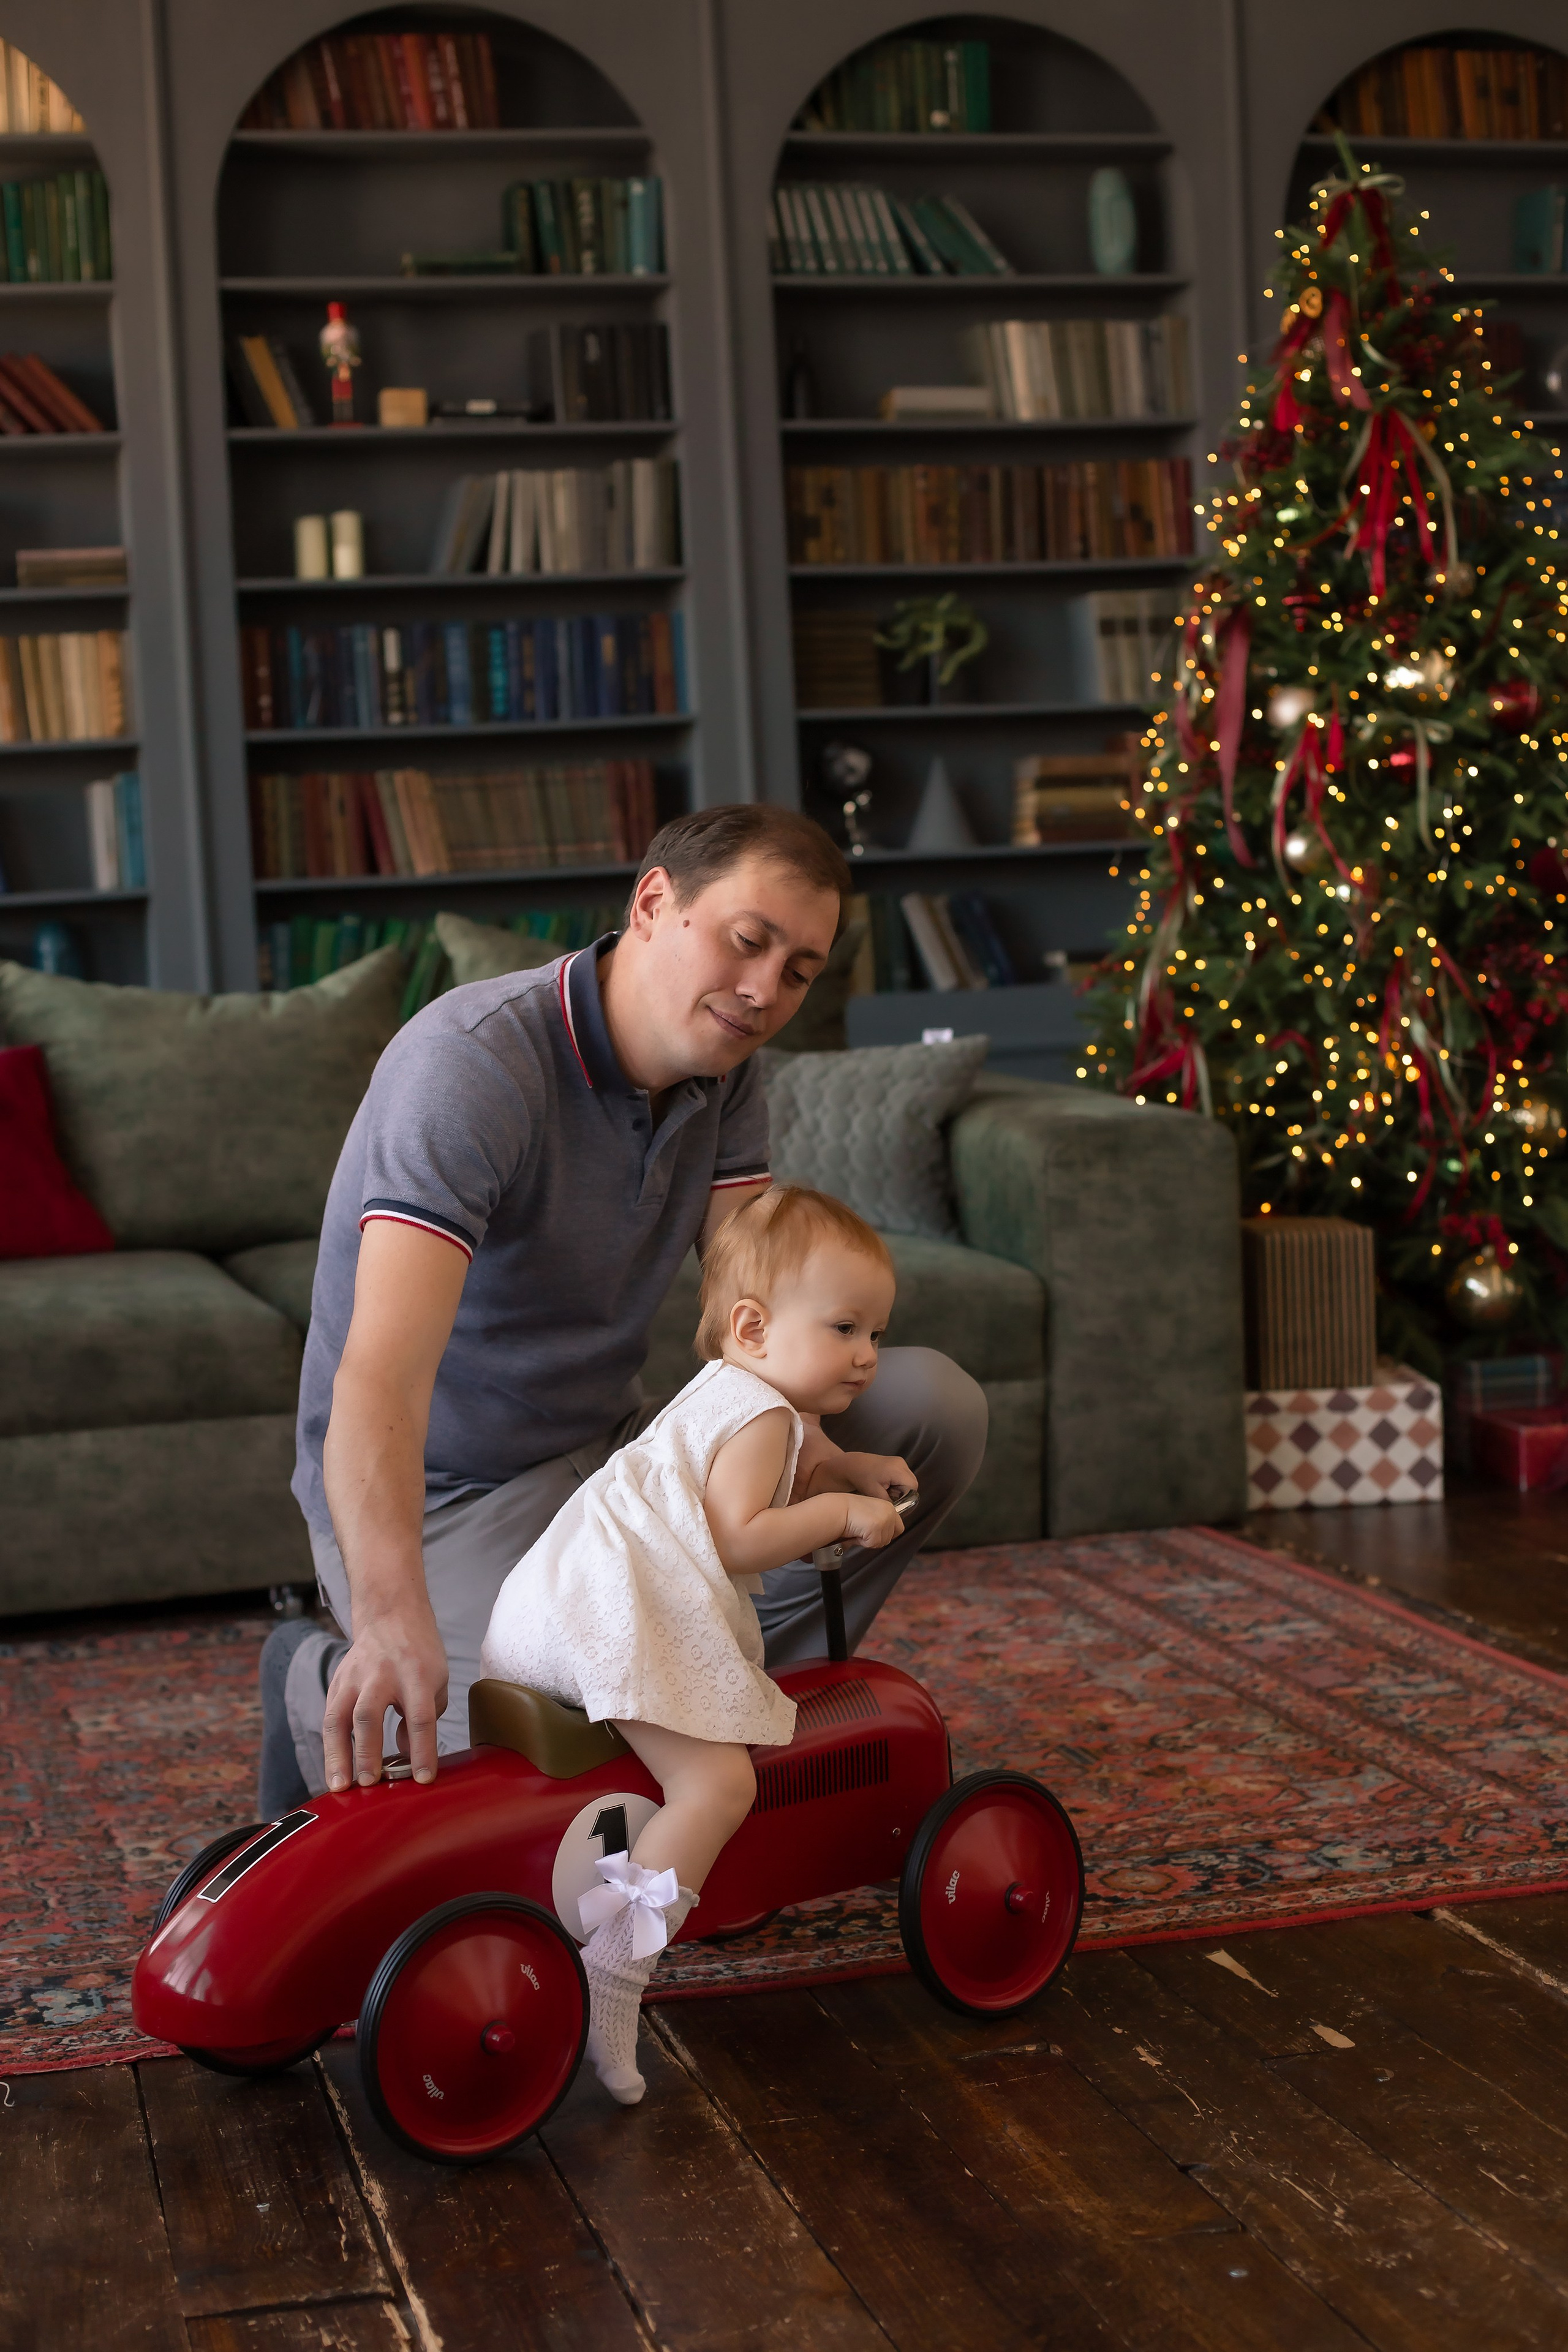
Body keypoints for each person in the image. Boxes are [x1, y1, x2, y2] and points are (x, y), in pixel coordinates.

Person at [258, 803, 986, 1820]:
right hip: (448, 1497)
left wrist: (819, 1458)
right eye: (749, 942)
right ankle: (315, 1664)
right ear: (654, 903)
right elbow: (376, 1379)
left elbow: (764, 1324)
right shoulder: (471, 1067)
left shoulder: (726, 1076)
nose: (766, 991)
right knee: (540, 1764)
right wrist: (391, 1617)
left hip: (614, 1461)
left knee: (928, 1405)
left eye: (801, 970)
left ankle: (720, 1706)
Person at [481, 1183, 903, 2103]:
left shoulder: (744, 1394)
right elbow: (741, 1535)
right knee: (720, 1781)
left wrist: (849, 1468)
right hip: (607, 1613)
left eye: (875, 1332)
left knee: (690, 1761)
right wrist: (838, 1511)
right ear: (752, 1328)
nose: (868, 1356)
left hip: (554, 1594)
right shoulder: (757, 1416)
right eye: (845, 1329)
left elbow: (807, 1451)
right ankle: (618, 1965)